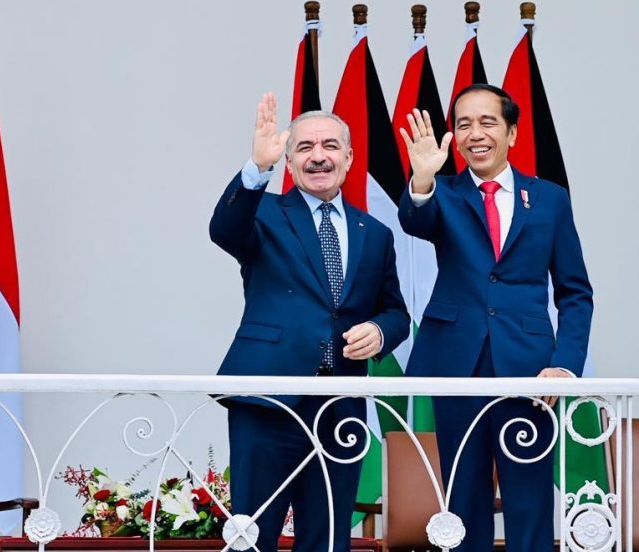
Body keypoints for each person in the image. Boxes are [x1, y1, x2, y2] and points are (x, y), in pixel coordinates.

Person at [397, 83, 593, 552]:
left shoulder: (548, 199)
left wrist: (564, 364)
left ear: (512, 133)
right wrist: (422, 179)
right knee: (462, 506)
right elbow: (414, 221)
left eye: (487, 122)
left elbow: (575, 292)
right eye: (463, 124)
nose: (474, 134)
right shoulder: (441, 194)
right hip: (456, 366)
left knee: (529, 506)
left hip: (528, 371)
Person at [210, 92, 409, 551]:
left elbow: (395, 311)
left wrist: (380, 332)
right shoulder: (264, 212)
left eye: (330, 146)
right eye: (304, 148)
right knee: (251, 536)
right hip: (266, 398)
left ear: (349, 156)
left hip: (340, 406)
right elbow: (224, 230)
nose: (318, 157)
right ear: (289, 159)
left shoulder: (374, 233)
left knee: (328, 538)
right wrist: (256, 168)